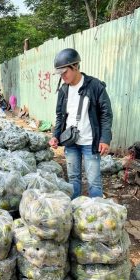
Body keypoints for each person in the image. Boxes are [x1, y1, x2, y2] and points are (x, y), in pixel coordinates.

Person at [49, 48, 113, 199]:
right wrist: (55, 136)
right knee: (73, 179)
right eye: (60, 74)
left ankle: (96, 213)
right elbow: (60, 116)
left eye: (65, 72)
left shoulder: (95, 86)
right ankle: (76, 211)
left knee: (94, 182)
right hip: (70, 142)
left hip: (90, 142)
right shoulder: (64, 90)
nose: (63, 76)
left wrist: (105, 139)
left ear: (76, 66)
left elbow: (106, 114)